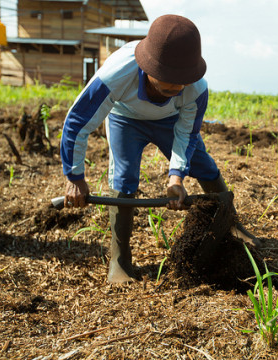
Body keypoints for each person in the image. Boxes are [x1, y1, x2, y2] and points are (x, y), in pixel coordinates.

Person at [60, 14, 258, 283]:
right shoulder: (116, 72)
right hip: (124, 118)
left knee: (203, 165)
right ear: (147, 65)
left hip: (169, 121)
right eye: (167, 79)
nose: (175, 87)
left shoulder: (195, 88)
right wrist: (74, 177)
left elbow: (187, 134)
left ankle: (230, 223)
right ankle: (120, 259)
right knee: (124, 176)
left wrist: (176, 177)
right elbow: (78, 121)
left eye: (181, 81)